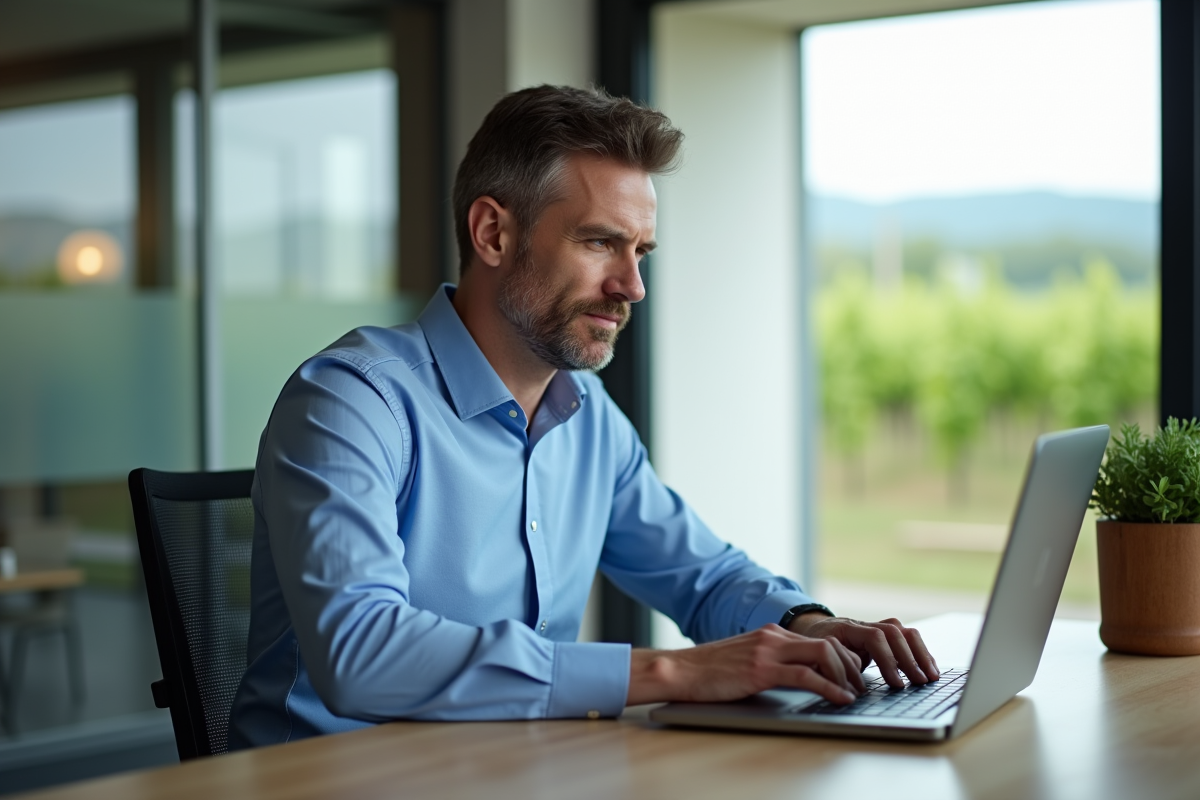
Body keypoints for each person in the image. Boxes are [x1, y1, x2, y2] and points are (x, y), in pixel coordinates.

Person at [227, 85, 938, 749]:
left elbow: (703, 576)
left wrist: (809, 626)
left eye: (640, 251)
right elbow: (362, 652)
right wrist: (670, 674)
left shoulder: (587, 416)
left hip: (518, 767)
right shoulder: (351, 401)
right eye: (600, 242)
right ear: (493, 234)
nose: (632, 286)